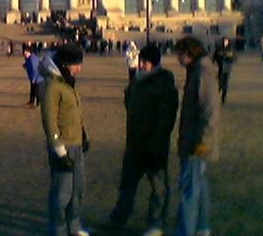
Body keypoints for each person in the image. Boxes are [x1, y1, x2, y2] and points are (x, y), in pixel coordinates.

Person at [107, 44, 179, 236]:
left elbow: (166, 119)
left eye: (144, 62)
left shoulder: (164, 85)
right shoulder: (137, 81)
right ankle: (120, 217)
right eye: (140, 61)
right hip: (134, 143)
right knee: (127, 184)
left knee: (158, 187)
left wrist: (157, 143)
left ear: (155, 64)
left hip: (154, 145)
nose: (140, 65)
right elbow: (128, 101)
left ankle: (156, 223)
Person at [39, 43, 90, 236]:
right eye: (76, 64)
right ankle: (58, 229)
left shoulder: (67, 83)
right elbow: (49, 120)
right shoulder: (52, 87)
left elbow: (75, 114)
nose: (79, 69)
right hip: (63, 146)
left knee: (78, 189)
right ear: (64, 64)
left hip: (76, 144)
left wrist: (84, 135)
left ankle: (74, 226)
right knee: (62, 193)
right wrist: (58, 148)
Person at [173, 36, 221, 236]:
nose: (178, 58)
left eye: (180, 54)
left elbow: (209, 112)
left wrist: (203, 142)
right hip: (195, 139)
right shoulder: (198, 71)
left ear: (189, 53)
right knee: (199, 186)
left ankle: (186, 231)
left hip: (196, 142)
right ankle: (202, 227)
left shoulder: (202, 74)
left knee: (189, 189)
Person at [212, 37, 236, 105]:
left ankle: (223, 97)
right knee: (219, 83)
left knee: (226, 84)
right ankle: (216, 96)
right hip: (221, 68)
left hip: (228, 69)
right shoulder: (219, 49)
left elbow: (234, 57)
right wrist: (216, 62)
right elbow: (214, 57)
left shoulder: (231, 49)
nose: (225, 42)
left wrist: (230, 60)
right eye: (224, 41)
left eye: (226, 41)